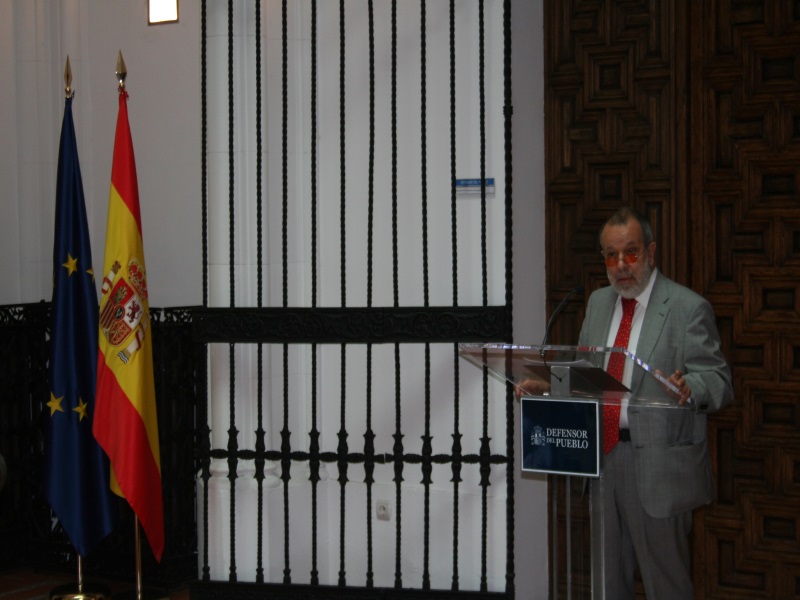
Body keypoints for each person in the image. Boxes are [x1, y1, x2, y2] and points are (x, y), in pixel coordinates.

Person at [573, 207, 733, 598]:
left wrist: (691, 386)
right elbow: (581, 371)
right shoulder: (597, 303)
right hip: (602, 461)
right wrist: (543, 387)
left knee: (667, 587)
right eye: (611, 255)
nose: (622, 265)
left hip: (660, 468)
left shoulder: (686, 308)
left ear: (651, 252)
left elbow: (719, 380)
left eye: (631, 252)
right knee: (607, 587)